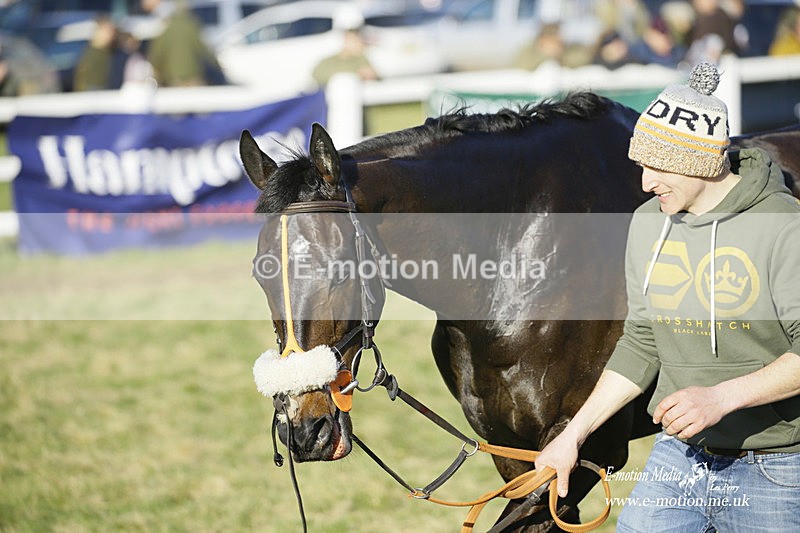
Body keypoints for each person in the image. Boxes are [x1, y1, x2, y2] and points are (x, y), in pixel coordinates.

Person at [535, 62, 800, 531]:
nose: (645, 182)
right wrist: (572, 436)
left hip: (778, 467)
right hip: (679, 458)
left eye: (658, 165)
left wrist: (721, 398)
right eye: (641, 164)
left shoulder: (783, 227)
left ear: (701, 161)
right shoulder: (648, 223)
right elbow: (641, 341)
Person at [142, 0, 222, 87]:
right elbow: (204, 51)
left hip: (173, 80)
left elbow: (157, 55)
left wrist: (158, 75)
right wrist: (218, 67)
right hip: (193, 78)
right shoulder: (191, 26)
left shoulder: (166, 28)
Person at [311, 27, 378, 86]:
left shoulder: (362, 59)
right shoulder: (329, 60)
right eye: (353, 40)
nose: (358, 44)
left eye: (358, 40)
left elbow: (372, 76)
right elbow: (316, 75)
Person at [73, 15, 124, 91]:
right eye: (107, 31)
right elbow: (91, 83)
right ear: (98, 31)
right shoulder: (93, 54)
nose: (112, 35)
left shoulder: (109, 52)